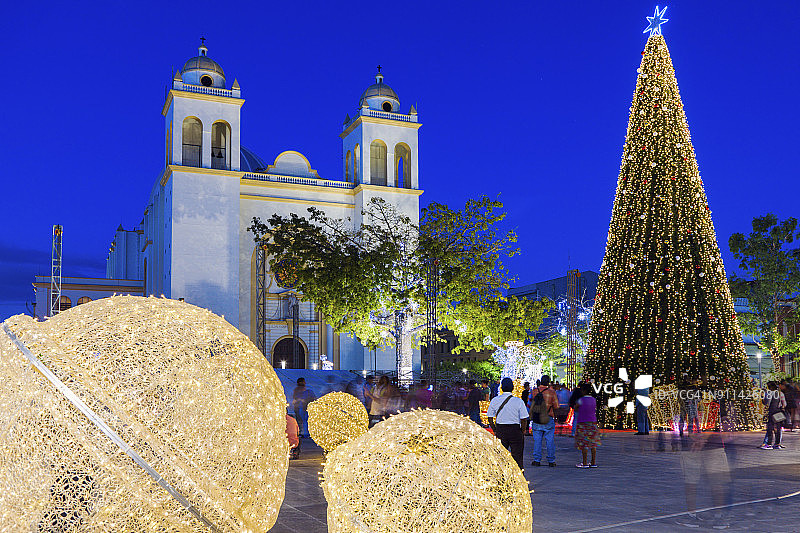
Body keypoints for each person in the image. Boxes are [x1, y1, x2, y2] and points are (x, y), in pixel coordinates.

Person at [487, 377, 529, 469]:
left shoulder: (495, 400)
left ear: (501, 388)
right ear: (513, 388)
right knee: (517, 457)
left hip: (501, 430)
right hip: (515, 430)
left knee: (500, 457)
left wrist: (495, 429)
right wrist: (522, 430)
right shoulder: (518, 401)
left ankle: (501, 478)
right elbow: (524, 419)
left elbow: (490, 417)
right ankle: (518, 479)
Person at [529, 374, 559, 467]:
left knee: (537, 440)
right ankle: (551, 460)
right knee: (549, 440)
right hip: (548, 418)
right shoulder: (552, 392)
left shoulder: (534, 391)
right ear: (548, 382)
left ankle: (537, 460)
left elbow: (529, 404)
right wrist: (556, 417)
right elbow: (556, 406)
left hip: (537, 418)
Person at [573, 383, 599, 467]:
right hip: (593, 423)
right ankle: (593, 462)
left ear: (583, 391)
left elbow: (576, 408)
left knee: (584, 443)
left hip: (583, 423)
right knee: (593, 443)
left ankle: (584, 463)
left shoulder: (581, 400)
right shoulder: (593, 399)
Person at [761, 381, 786, 450]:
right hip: (778, 412)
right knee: (778, 428)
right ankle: (777, 444)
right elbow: (784, 404)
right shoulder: (780, 393)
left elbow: (767, 403)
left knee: (770, 428)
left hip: (771, 412)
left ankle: (769, 444)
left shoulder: (770, 393)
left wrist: (763, 398)